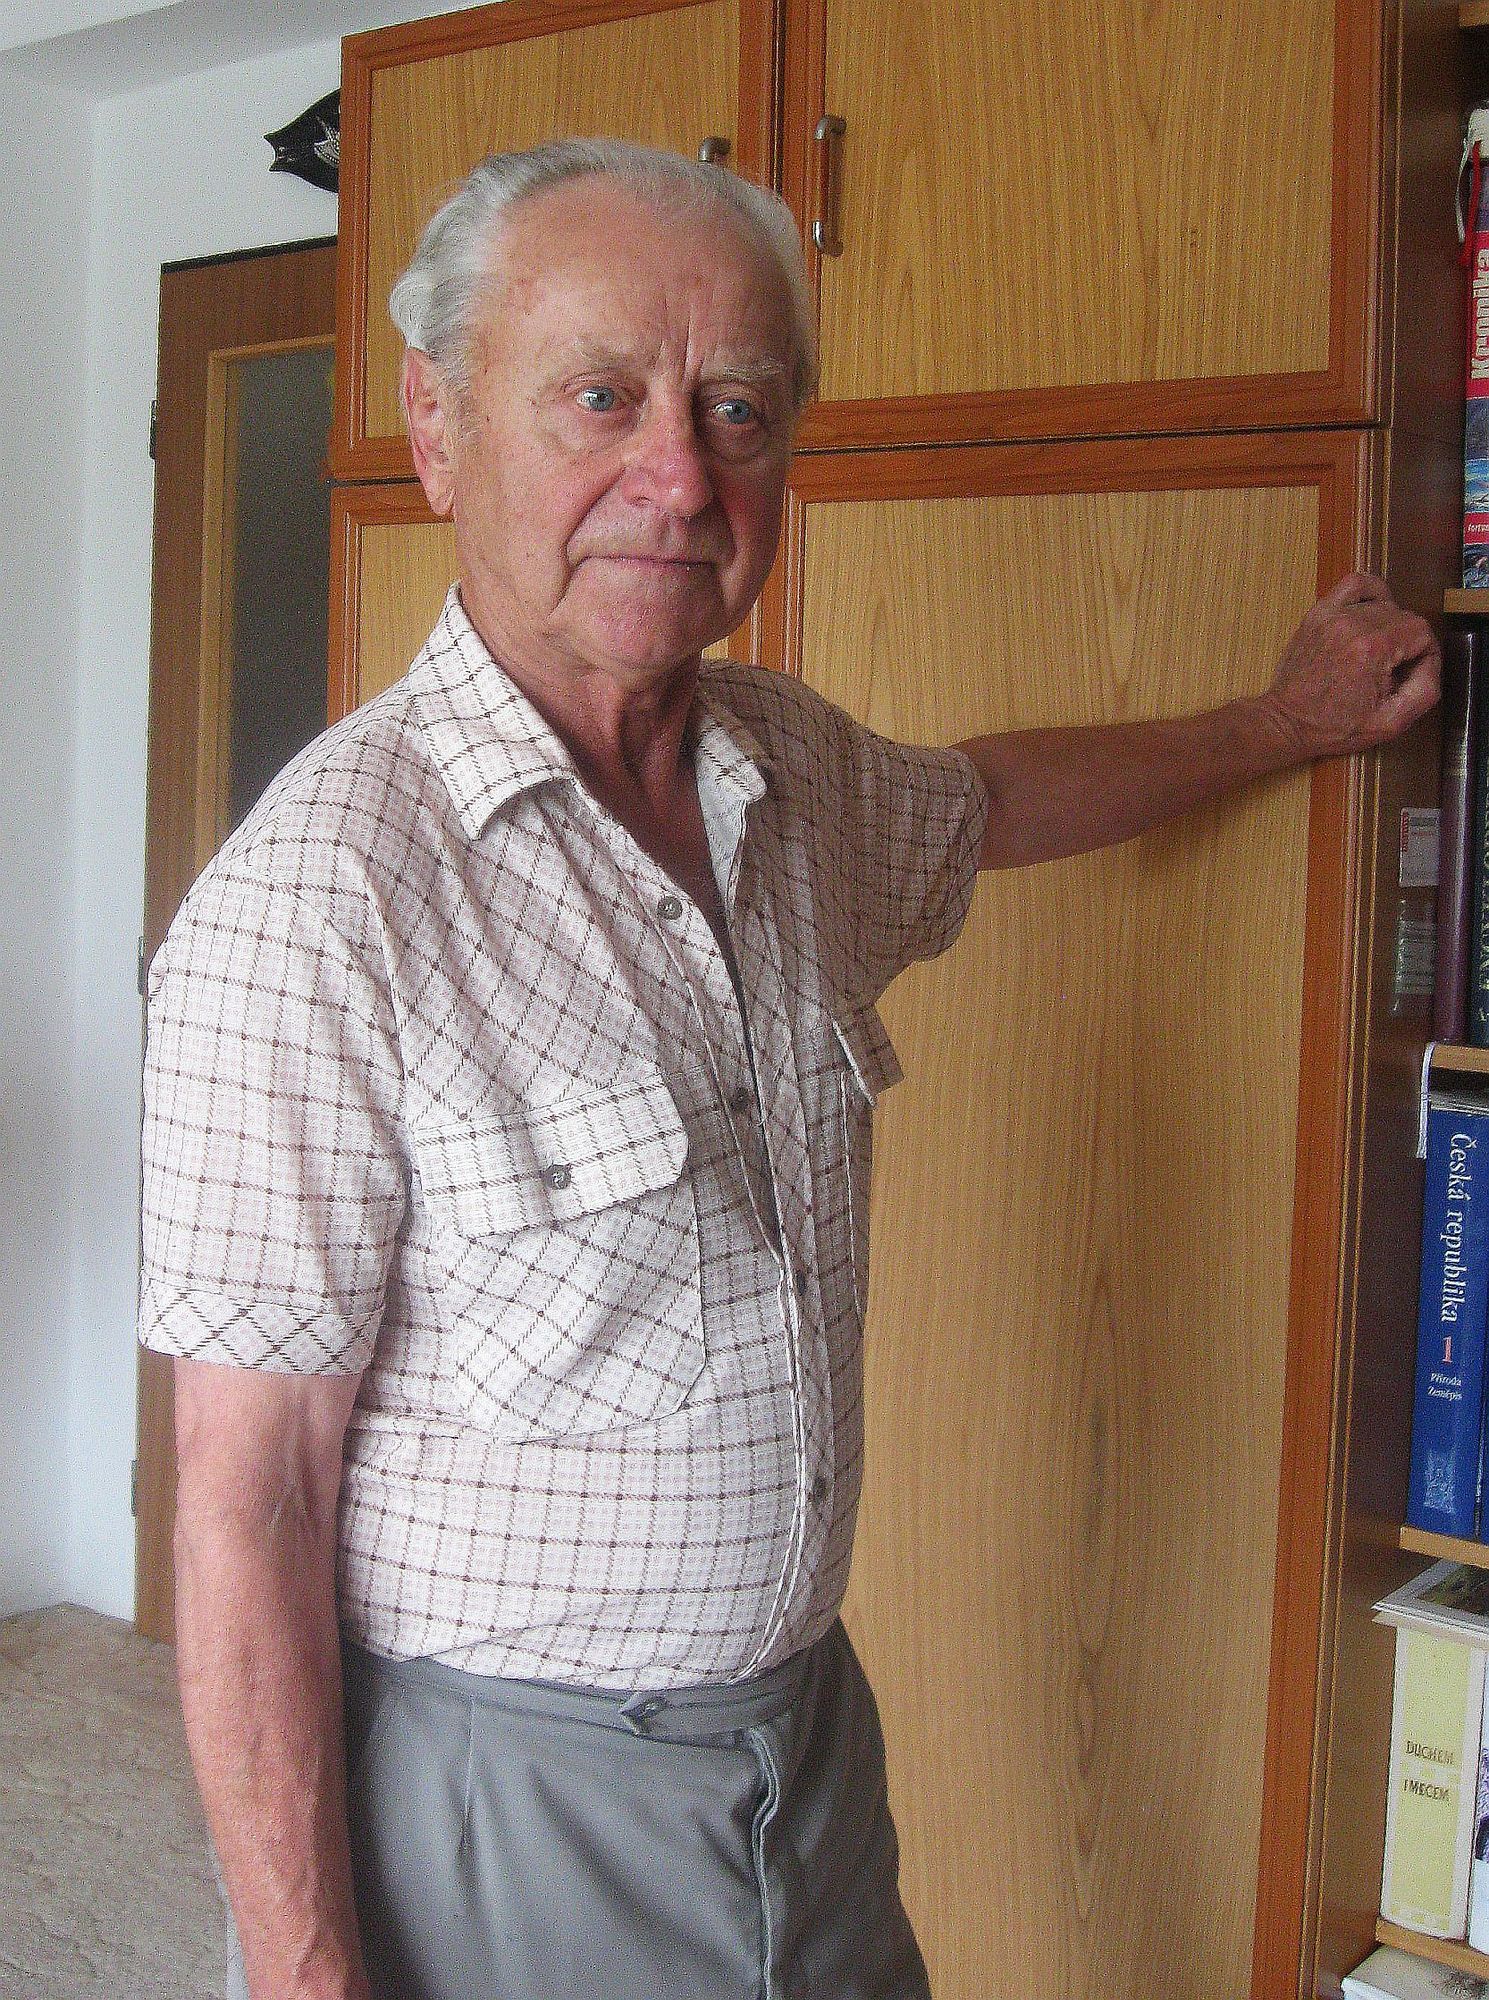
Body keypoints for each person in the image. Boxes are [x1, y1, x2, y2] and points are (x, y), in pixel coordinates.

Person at [138, 139, 1439, 2000]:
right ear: (436, 427)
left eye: (736, 411)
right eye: (600, 398)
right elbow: (247, 1497)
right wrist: (302, 1968)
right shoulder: (317, 904)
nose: (679, 480)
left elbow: (988, 804)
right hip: (512, 1797)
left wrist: (1279, 719)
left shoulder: (784, 769)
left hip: (804, 1745)